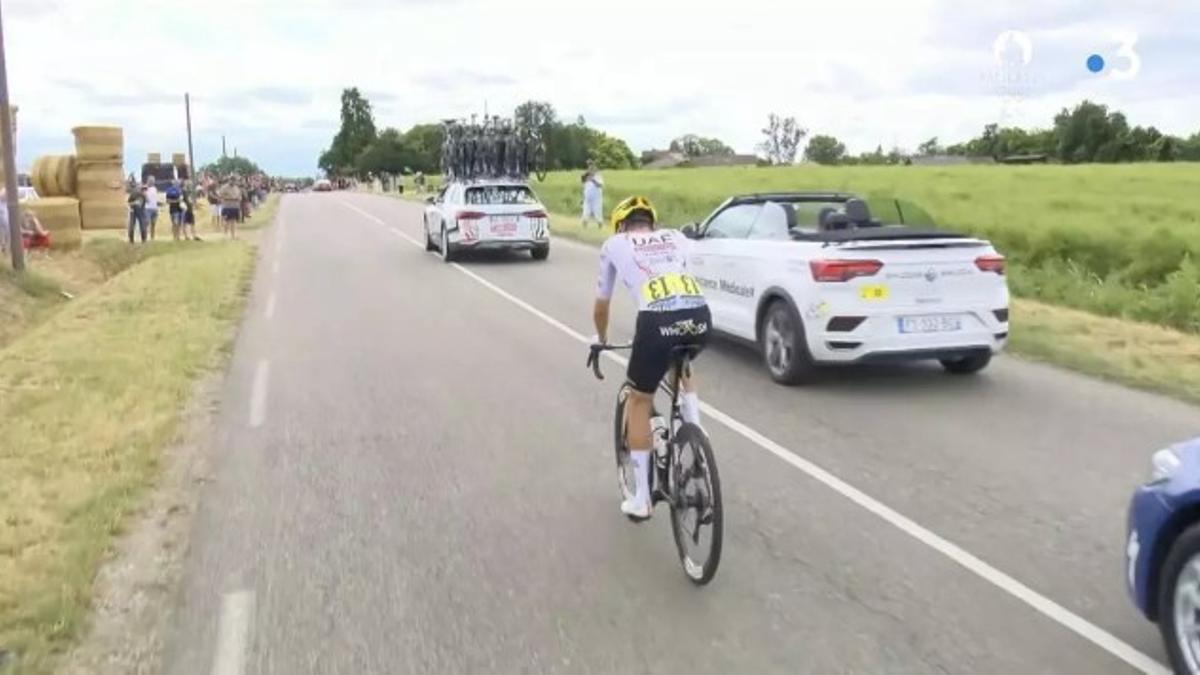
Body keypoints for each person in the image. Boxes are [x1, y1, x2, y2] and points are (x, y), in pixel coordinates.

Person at [592, 196, 711, 520]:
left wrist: (601, 340)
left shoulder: (614, 243)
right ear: (653, 224)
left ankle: (642, 500)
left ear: (620, 226)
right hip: (700, 315)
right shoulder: (677, 237)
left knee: (639, 400)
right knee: (681, 358)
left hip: (655, 323)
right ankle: (695, 429)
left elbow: (602, 305)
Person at [581, 161, 604, 228]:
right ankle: (584, 228)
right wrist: (587, 175)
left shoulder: (598, 176)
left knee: (598, 214)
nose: (590, 169)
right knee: (585, 214)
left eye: (592, 168)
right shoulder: (586, 176)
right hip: (587, 199)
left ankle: (600, 227)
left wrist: (593, 180)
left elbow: (600, 185)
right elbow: (583, 181)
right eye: (589, 168)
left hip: (596, 200)